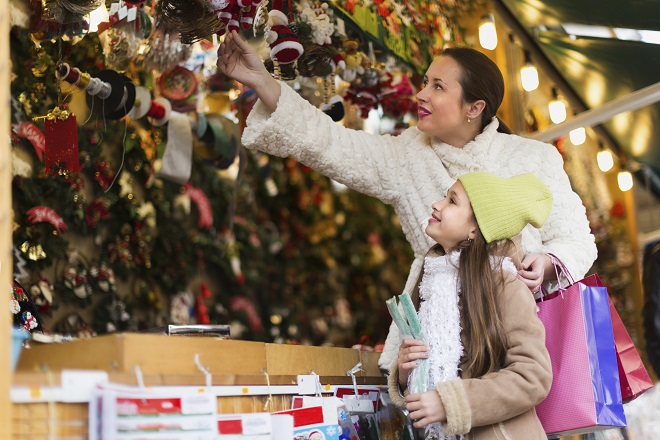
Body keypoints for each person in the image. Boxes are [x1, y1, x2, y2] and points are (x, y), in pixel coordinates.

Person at [216, 31, 597, 369]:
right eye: (424, 82)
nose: (421, 95)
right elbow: (330, 144)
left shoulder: (533, 158)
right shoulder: (406, 155)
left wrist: (549, 262)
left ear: (475, 108)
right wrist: (262, 81)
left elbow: (577, 240)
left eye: (438, 87)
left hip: (521, 344)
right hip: (436, 348)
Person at [389, 172, 553, 439]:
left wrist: (451, 403)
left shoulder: (504, 287)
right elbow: (432, 380)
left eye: (452, 201)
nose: (437, 204)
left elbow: (533, 376)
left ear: (475, 229)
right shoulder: (431, 282)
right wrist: (408, 371)